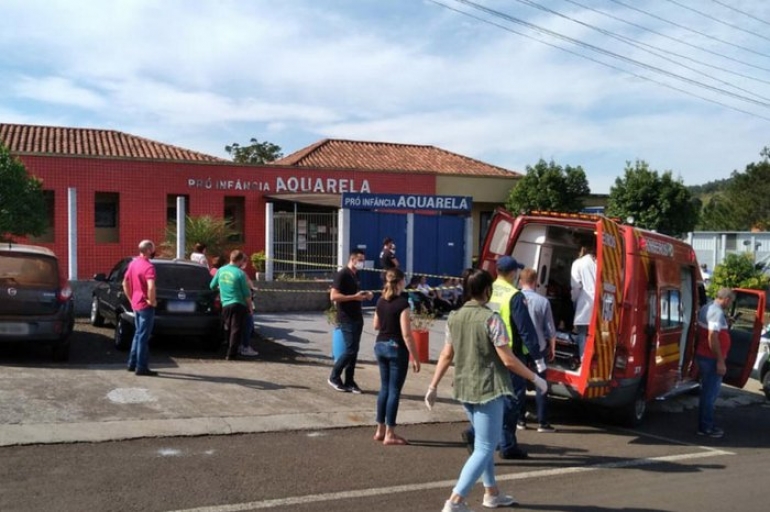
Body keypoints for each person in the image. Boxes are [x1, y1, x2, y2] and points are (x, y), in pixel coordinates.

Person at [424, 268, 548, 512]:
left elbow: (446, 354)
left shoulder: (454, 317)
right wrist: (536, 378)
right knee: (484, 448)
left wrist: (433, 385)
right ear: (486, 291)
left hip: (464, 388)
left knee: (484, 443)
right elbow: (509, 360)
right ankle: (455, 501)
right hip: (488, 389)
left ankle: (492, 493)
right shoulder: (491, 319)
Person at [488, 256, 543, 450]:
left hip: (489, 353)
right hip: (510, 354)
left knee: (491, 399)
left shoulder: (487, 290)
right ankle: (507, 444)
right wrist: (537, 357)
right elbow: (525, 330)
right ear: (512, 274)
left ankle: (486, 438)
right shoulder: (515, 296)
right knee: (512, 399)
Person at [372, 267, 420, 445]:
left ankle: (380, 429)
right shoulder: (403, 304)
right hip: (396, 347)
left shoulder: (381, 301)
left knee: (384, 388)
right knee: (394, 391)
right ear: (401, 282)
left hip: (380, 345)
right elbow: (407, 334)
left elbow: (376, 325)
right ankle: (390, 433)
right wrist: (415, 357)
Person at [328, 249, 374, 393]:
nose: (362, 263)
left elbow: (355, 293)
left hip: (357, 316)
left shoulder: (356, 275)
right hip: (346, 317)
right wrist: (354, 297)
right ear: (352, 259)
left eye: (363, 260)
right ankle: (334, 376)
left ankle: (349, 381)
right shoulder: (342, 274)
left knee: (355, 350)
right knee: (350, 349)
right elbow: (334, 296)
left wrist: (366, 295)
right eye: (360, 260)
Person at [519, 267, 557, 433]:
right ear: (535, 282)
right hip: (539, 348)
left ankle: (520, 420)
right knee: (541, 384)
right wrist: (552, 348)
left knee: (519, 384)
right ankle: (543, 422)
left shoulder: (516, 299)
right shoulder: (543, 302)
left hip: (520, 348)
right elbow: (550, 329)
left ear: (521, 281)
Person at [695, 287, 734, 438]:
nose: (730, 305)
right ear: (727, 299)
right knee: (710, 394)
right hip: (711, 358)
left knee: (707, 392)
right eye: (730, 302)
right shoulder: (716, 312)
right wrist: (720, 361)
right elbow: (712, 336)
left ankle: (705, 425)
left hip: (705, 355)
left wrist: (725, 322)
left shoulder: (707, 308)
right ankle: (706, 427)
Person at [122, 239, 158, 376]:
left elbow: (125, 282)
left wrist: (131, 299)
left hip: (136, 304)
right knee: (143, 336)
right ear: (148, 250)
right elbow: (151, 286)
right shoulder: (149, 267)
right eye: (153, 248)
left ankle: (132, 363)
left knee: (138, 334)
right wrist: (152, 301)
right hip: (145, 305)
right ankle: (141, 367)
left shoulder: (133, 263)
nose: (154, 251)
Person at [210, 250, 254, 361]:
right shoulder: (240, 273)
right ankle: (231, 353)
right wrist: (250, 307)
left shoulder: (221, 270)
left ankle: (227, 348)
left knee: (228, 327)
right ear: (239, 260)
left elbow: (212, 286)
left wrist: (221, 288)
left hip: (225, 304)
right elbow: (246, 294)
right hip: (238, 303)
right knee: (236, 329)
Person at [571, 238, 597, 359]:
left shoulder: (578, 263)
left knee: (582, 333)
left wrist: (574, 301)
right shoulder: (599, 262)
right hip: (599, 303)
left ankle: (583, 357)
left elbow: (575, 285)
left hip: (585, 302)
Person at [238, 256, 259, 357]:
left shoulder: (225, 271)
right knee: (248, 324)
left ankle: (236, 345)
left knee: (235, 326)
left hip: (229, 303)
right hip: (243, 302)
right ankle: (245, 346)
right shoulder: (241, 273)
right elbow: (249, 286)